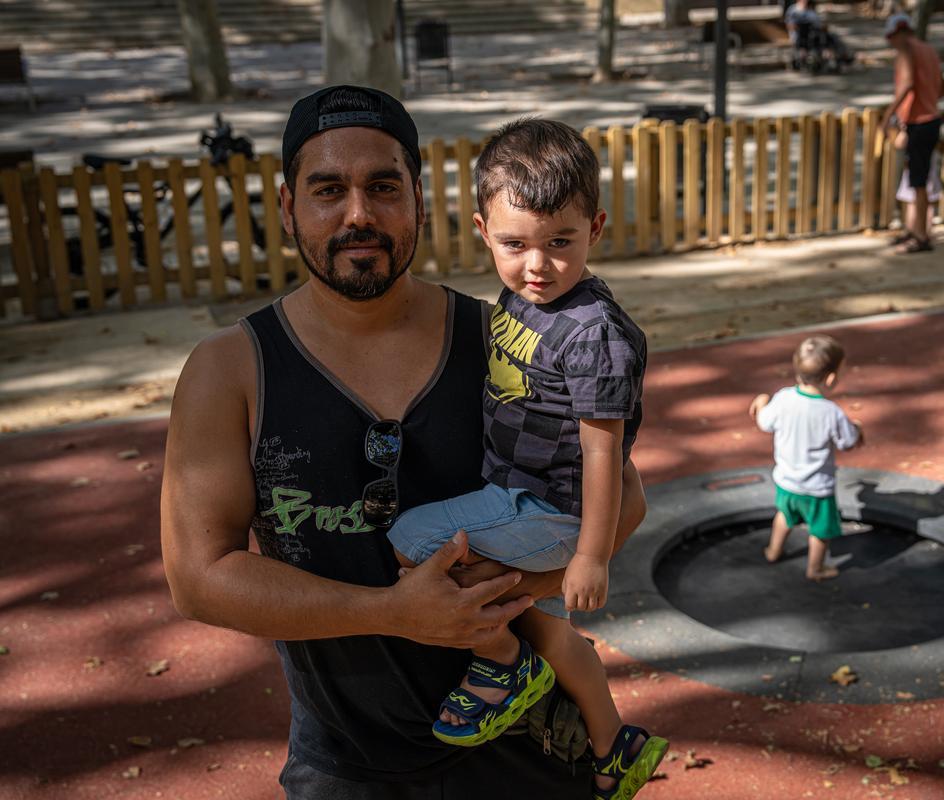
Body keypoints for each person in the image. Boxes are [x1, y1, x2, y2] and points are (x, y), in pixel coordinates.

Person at [159, 85, 648, 799]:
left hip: (530, 753)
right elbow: (197, 578)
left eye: (383, 187)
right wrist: (388, 613)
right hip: (350, 766)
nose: (359, 213)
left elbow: (624, 495)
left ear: (419, 200)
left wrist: (525, 590)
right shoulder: (232, 371)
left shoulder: (505, 334)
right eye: (329, 189)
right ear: (289, 208)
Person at [386, 117, 667, 800]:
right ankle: (616, 748)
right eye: (515, 244)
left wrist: (590, 556)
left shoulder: (595, 335)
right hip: (524, 493)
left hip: (546, 507)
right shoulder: (522, 294)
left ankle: (501, 664)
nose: (537, 265)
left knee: (410, 541)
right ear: (484, 232)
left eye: (560, 243)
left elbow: (604, 455)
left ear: (595, 228)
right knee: (550, 628)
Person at [748, 335, 863, 580]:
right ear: (831, 378)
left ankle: (773, 550)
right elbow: (848, 441)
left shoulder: (782, 398)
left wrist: (760, 403)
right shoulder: (831, 412)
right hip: (817, 488)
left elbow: (764, 422)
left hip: (786, 481)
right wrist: (858, 428)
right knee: (821, 530)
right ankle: (815, 568)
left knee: (785, 515)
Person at [881, 13, 944, 254]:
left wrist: (889, 114)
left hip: (919, 124)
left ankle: (921, 237)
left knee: (919, 182)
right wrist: (928, 101)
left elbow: (908, 83)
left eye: (892, 37)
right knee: (916, 178)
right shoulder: (929, 50)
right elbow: (943, 86)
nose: (890, 42)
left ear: (901, 32)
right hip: (932, 120)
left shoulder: (907, 50)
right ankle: (913, 230)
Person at [784, 0, 855, 70]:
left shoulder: (810, 10)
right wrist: (802, 26)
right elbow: (790, 26)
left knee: (832, 37)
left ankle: (843, 57)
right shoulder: (793, 10)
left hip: (814, 35)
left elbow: (819, 24)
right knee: (822, 40)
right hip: (801, 36)